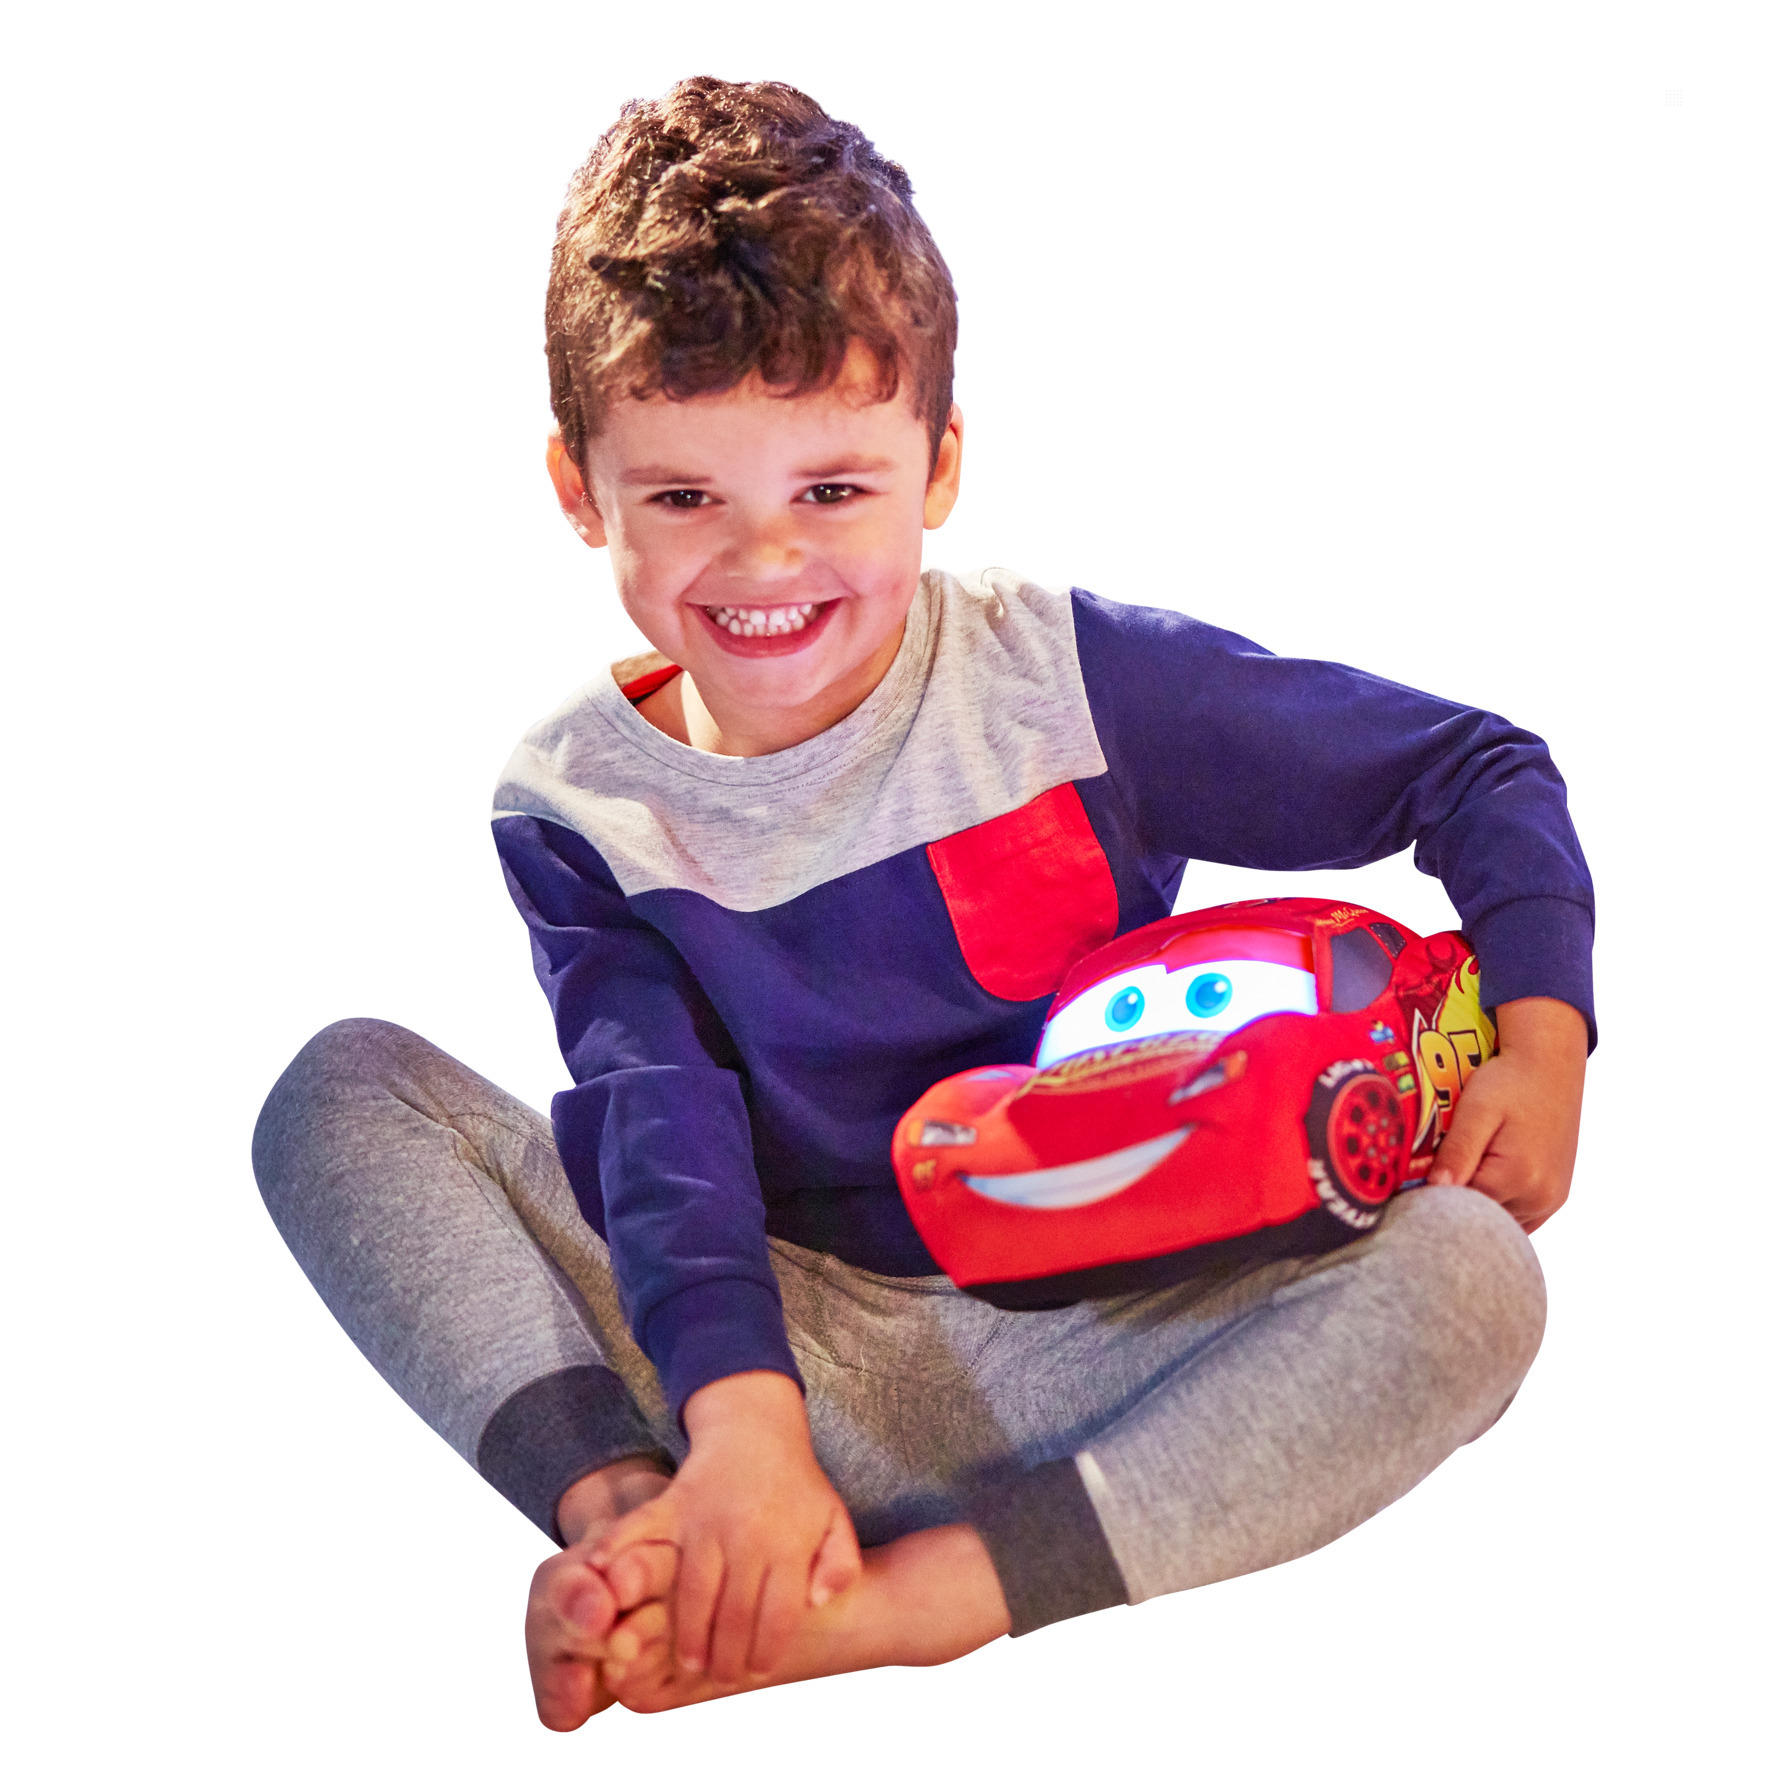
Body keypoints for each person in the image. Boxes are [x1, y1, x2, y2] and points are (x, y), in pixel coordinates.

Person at [251, 75, 1593, 1728]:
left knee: (1469, 1276)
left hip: (1105, 1330)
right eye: (684, 497)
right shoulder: (578, 802)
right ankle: (657, 1534)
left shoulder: (1061, 681)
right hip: (776, 1354)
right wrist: (742, 1429)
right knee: (343, 1093)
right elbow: (660, 1128)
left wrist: (1543, 1043)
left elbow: (1474, 767)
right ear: (578, 489)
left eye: (832, 490)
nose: (764, 563)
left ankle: (902, 1604)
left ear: (939, 466)